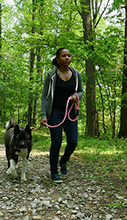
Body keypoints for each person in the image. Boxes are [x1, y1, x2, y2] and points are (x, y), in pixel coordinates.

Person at [41, 48, 83, 183]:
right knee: (56, 142)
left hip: (71, 112)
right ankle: (54, 172)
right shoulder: (51, 76)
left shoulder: (76, 75)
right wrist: (43, 115)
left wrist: (76, 96)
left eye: (69, 55)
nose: (67, 58)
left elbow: (81, 91)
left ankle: (64, 160)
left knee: (73, 141)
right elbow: (45, 96)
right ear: (57, 59)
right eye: (64, 56)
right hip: (55, 113)